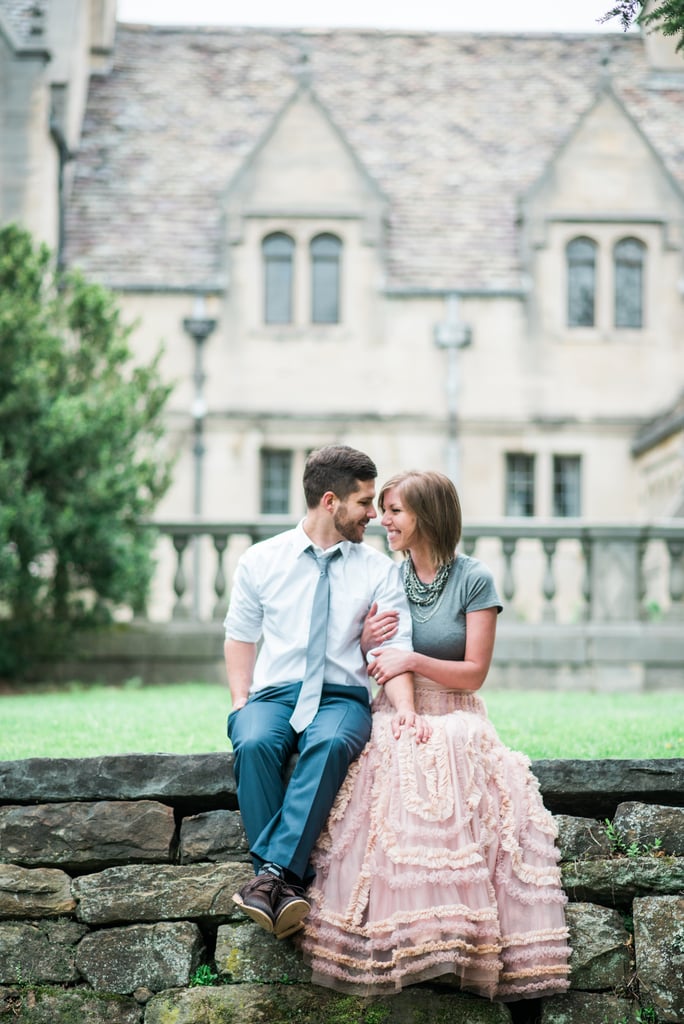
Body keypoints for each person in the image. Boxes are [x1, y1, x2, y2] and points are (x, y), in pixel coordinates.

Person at [298, 470, 571, 1001]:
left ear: (428, 515)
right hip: (399, 704)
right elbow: (369, 658)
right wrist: (367, 645)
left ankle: (458, 936)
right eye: (381, 509)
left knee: (454, 747)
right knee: (391, 753)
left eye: (395, 510)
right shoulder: (387, 577)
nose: (382, 520)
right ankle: (402, 934)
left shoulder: (475, 579)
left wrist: (414, 657)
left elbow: (474, 672)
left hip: (457, 706)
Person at [224, 445, 427, 942]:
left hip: (340, 697)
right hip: (273, 696)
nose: (374, 516)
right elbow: (240, 635)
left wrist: (406, 710)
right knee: (251, 742)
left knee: (332, 744)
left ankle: (268, 878)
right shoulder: (261, 560)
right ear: (330, 501)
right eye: (364, 503)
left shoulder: (378, 569)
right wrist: (239, 701)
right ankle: (285, 882)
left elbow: (395, 649)